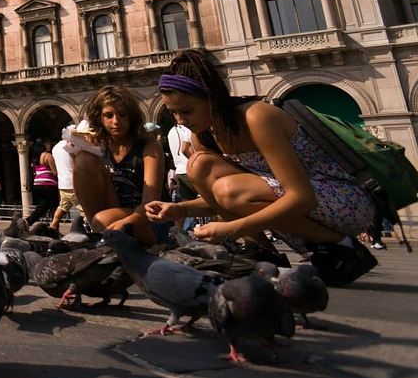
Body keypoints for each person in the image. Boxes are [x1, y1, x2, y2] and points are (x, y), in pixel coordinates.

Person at [145, 48, 377, 286]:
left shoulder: (256, 117)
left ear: (211, 98)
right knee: (198, 165)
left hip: (344, 201)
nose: (180, 121)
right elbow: (223, 199)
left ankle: (345, 246)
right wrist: (180, 209)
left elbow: (301, 196)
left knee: (227, 187)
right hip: (295, 206)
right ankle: (264, 252)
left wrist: (233, 228)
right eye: (173, 113)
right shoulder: (204, 135)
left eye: (186, 111)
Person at [69, 86, 164, 246]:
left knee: (102, 220)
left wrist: (126, 224)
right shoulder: (97, 148)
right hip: (110, 213)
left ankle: (100, 231)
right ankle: (98, 229)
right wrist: (77, 151)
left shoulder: (150, 147)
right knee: (84, 159)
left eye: (122, 114)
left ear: (131, 115)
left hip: (147, 219)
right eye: (109, 115)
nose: (116, 121)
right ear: (99, 118)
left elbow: (151, 203)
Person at [49, 132, 78, 230]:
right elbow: (74, 165)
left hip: (62, 183)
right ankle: (91, 229)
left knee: (62, 207)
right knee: (84, 209)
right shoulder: (71, 146)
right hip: (73, 182)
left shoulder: (55, 148)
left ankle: (52, 226)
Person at [26, 139, 58, 224]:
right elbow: (55, 172)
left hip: (38, 184)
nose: (50, 145)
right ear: (44, 144)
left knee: (43, 207)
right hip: (48, 184)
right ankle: (54, 227)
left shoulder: (36, 157)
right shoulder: (47, 156)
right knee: (54, 206)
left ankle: (28, 221)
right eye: (48, 143)